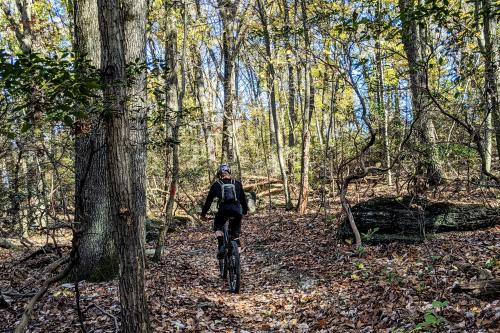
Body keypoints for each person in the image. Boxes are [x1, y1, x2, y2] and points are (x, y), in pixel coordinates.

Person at [200, 164, 248, 259]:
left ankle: (221, 245)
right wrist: (245, 211)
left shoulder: (217, 184)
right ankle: (237, 249)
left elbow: (208, 201)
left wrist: (203, 214)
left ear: (219, 174)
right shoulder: (237, 183)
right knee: (235, 232)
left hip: (223, 210)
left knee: (218, 226)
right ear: (229, 173)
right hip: (236, 211)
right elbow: (243, 199)